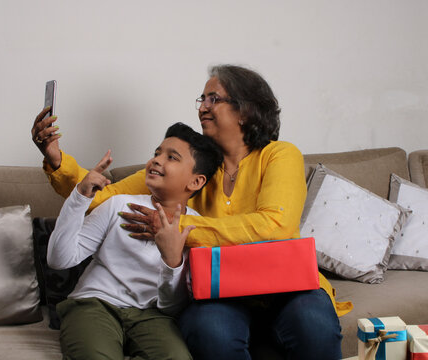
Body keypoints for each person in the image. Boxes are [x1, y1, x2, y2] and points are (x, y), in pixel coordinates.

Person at [32, 64, 352, 360]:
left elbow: (275, 226)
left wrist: (177, 228)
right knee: (209, 332)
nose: (202, 107)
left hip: (286, 285)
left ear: (247, 110)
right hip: (220, 292)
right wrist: (58, 161)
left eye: (214, 98)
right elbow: (106, 197)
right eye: (202, 98)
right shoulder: (188, 170)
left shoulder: (280, 155)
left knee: (313, 324)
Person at [46, 122, 223, 360]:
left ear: (196, 182)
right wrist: (80, 196)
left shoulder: (198, 229)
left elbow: (172, 307)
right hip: (95, 305)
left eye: (172, 157)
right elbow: (60, 260)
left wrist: (172, 261)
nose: (157, 160)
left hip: (152, 317)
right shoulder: (118, 205)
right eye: (157, 153)